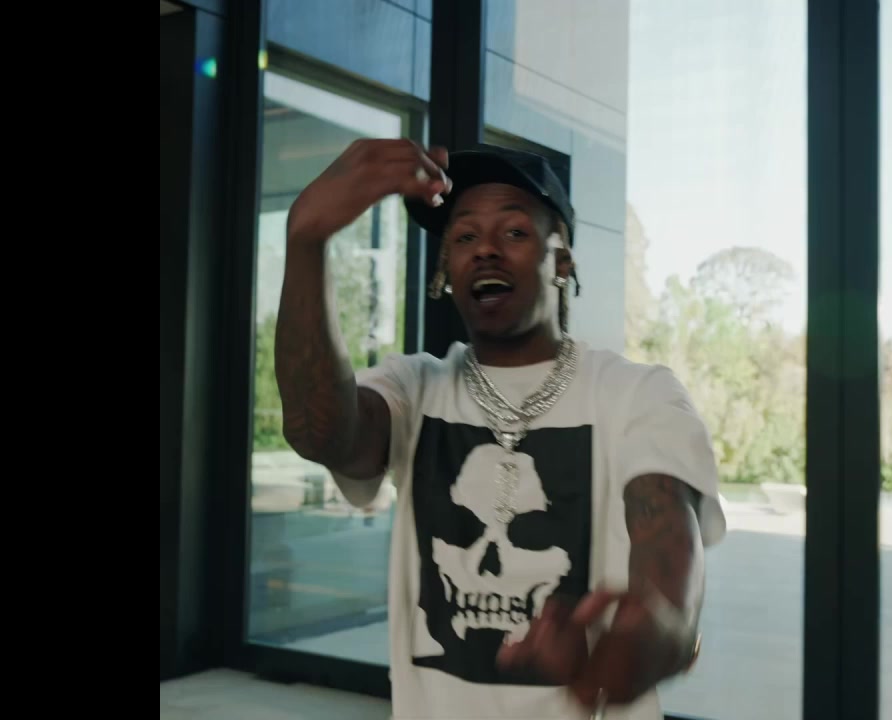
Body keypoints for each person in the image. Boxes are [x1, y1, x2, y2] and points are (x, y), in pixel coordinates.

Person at [275, 139, 726, 719]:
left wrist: (634, 647)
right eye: (464, 237)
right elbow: (318, 431)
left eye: (514, 231)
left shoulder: (639, 396)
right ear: (446, 271)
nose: (486, 248)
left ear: (562, 261)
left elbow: (669, 589)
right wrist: (306, 241)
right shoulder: (414, 387)